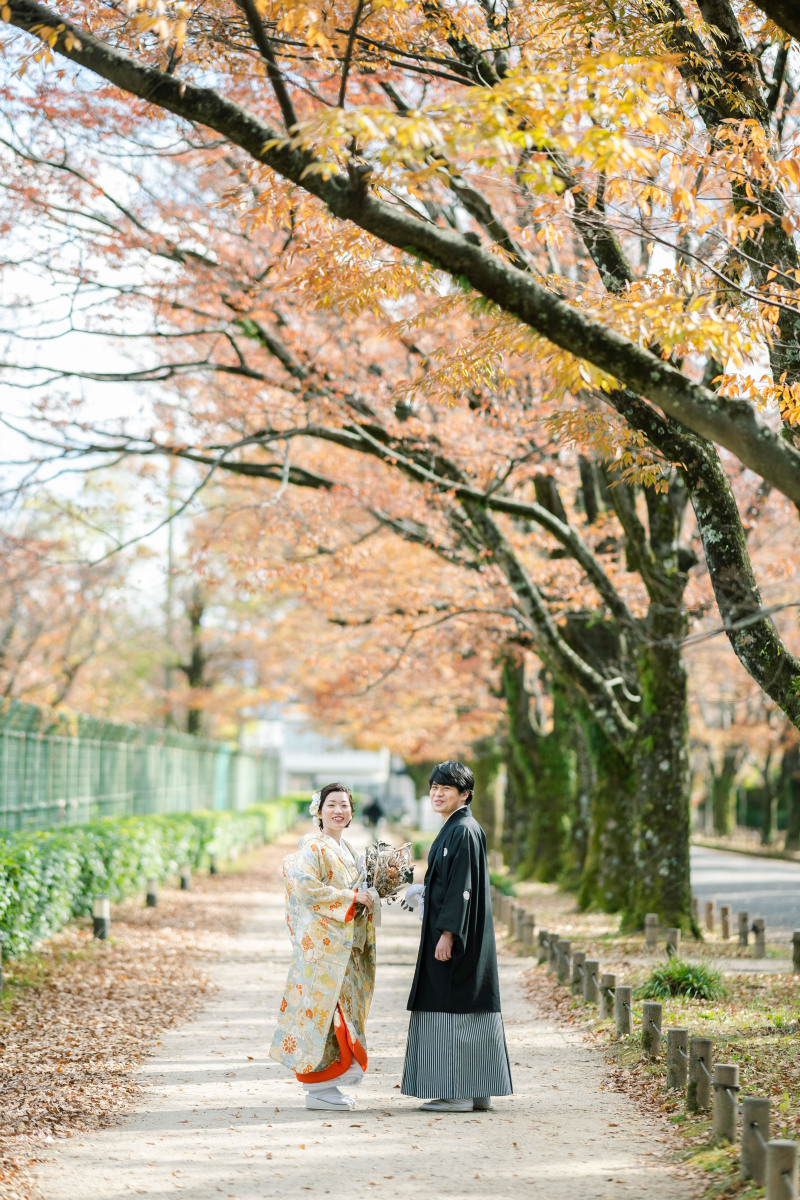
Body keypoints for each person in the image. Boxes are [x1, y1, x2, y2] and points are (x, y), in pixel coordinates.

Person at [401, 759, 513, 1112]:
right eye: (434, 787)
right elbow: (451, 882)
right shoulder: (460, 827)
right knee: (469, 1001)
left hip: (457, 936)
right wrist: (423, 889)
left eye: (445, 788)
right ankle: (479, 1089)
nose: (437, 793)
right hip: (466, 934)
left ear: (464, 794)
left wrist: (448, 933)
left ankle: (456, 1092)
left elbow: (461, 889)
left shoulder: (462, 830)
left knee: (448, 1003)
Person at [269, 782, 379, 1110]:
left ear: (352, 812)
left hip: (346, 946)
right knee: (324, 1016)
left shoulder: (349, 850)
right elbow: (306, 888)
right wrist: (351, 897)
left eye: (344, 805)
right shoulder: (313, 848)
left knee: (346, 1012)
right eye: (331, 804)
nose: (338, 811)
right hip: (324, 948)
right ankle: (319, 1088)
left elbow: (359, 890)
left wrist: (372, 894)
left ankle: (331, 1086)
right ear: (319, 811)